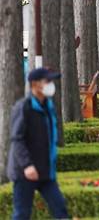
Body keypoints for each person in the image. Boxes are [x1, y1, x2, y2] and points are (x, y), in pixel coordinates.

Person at [8, 68, 69, 220]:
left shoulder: (48, 106)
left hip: (45, 171)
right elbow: (17, 139)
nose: (51, 84)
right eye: (47, 81)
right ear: (35, 84)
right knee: (22, 214)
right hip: (25, 172)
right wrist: (27, 165)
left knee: (60, 208)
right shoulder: (23, 107)